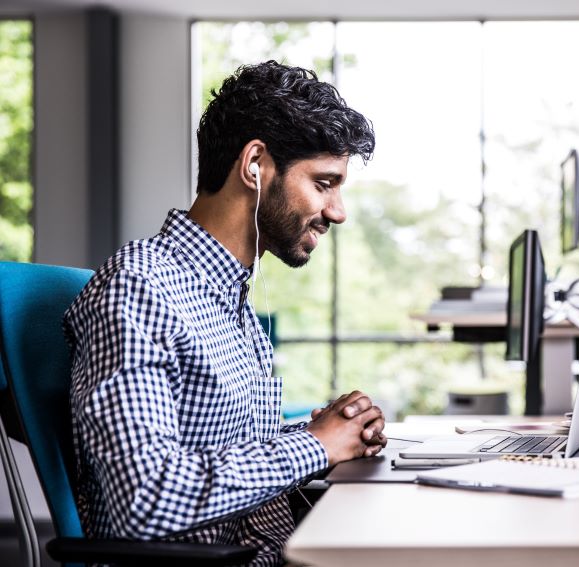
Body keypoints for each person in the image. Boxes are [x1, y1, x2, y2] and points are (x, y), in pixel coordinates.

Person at [63, 61, 385, 565]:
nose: (338, 211)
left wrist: (324, 434)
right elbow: (144, 500)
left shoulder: (229, 297)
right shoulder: (140, 289)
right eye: (324, 184)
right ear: (255, 164)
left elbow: (225, 453)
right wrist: (316, 449)